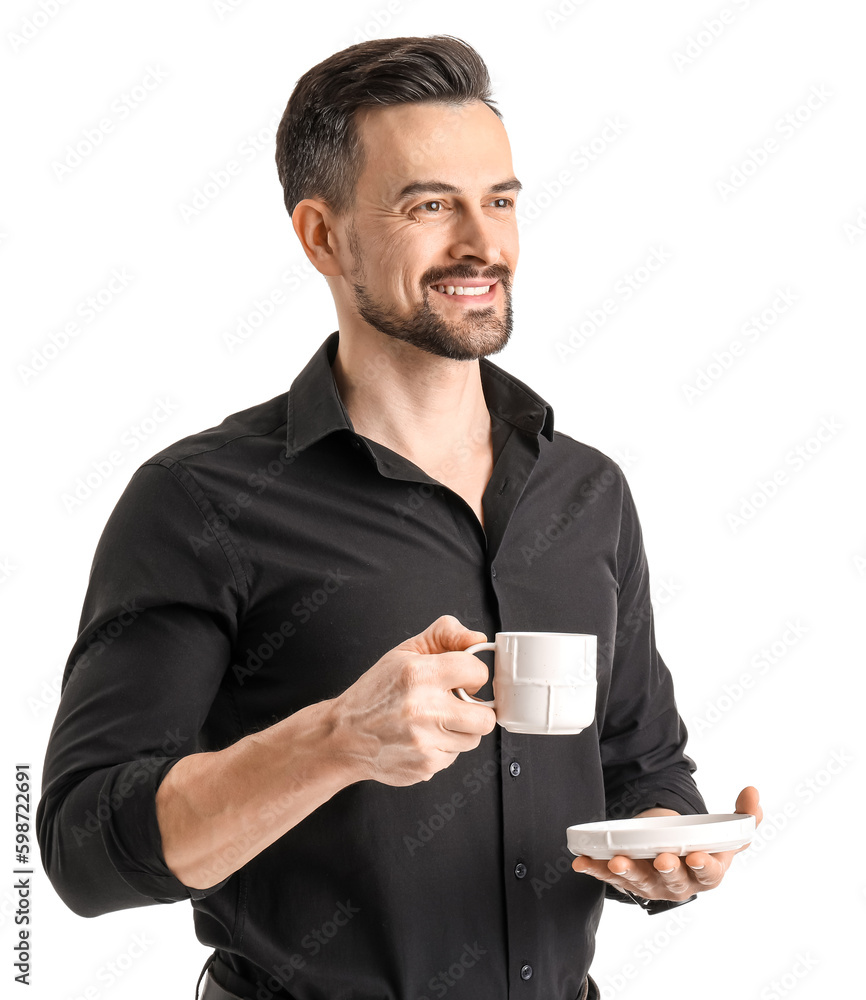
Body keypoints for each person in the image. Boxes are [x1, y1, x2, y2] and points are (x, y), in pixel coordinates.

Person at [36, 35, 762, 1000]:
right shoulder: (199, 503)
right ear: (321, 236)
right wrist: (336, 739)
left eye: (500, 200)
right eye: (430, 205)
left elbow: (640, 763)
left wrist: (670, 844)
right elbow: (83, 849)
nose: (484, 244)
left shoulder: (586, 491)